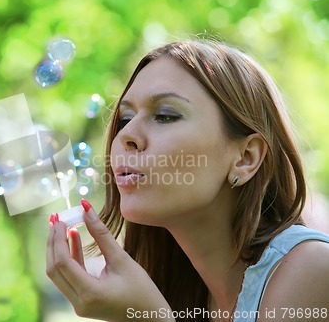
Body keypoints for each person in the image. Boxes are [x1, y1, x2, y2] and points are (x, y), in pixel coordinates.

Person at [46, 39, 329, 322]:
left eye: (165, 115)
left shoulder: (311, 269)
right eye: (124, 118)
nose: (126, 135)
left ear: (245, 158)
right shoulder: (179, 290)